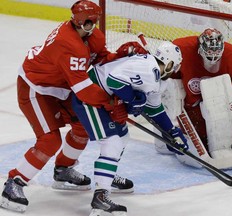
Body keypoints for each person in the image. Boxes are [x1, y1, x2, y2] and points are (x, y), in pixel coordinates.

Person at [0, 0, 147, 213]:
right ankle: (14, 183)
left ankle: (64, 169)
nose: (92, 27)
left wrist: (120, 55)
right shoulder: (68, 43)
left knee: (83, 127)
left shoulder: (91, 36)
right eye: (87, 23)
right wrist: (114, 102)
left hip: (61, 85)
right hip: (36, 88)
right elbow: (85, 90)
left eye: (94, 22)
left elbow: (100, 60)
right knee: (49, 141)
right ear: (76, 22)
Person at [72, 41, 187, 215]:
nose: (175, 70)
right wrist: (133, 99)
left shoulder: (157, 77)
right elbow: (114, 82)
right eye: (175, 66)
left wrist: (171, 132)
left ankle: (107, 178)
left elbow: (154, 108)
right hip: (90, 95)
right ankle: (101, 196)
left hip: (104, 99)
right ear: (170, 63)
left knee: (123, 137)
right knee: (113, 142)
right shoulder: (148, 69)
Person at [154, 28, 232, 168]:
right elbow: (167, 82)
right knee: (168, 93)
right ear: (199, 48)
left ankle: (220, 149)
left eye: (217, 54)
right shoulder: (182, 49)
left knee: (213, 142)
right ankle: (165, 140)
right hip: (187, 105)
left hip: (214, 106)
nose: (212, 60)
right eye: (208, 54)